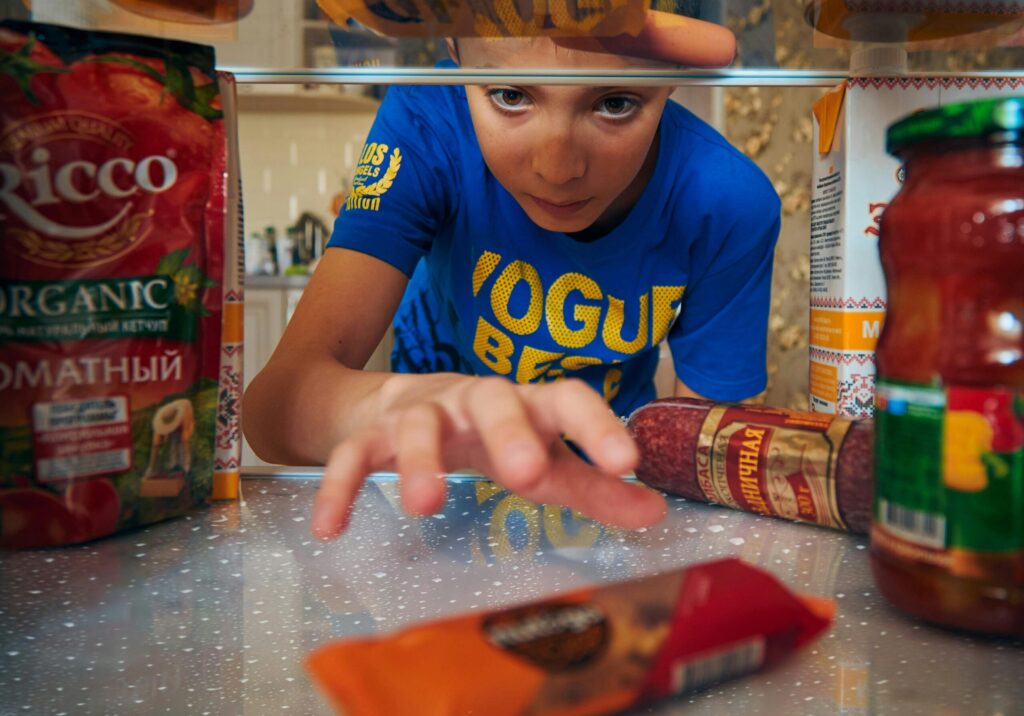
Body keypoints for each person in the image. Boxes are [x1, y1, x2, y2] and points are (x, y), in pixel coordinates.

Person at [242, 20, 782, 541]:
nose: (557, 168)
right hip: (431, 475)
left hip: (604, 482)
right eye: (509, 95)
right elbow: (269, 413)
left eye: (615, 103)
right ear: (454, 52)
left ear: (673, 77)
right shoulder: (429, 120)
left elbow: (699, 459)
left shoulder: (727, 201)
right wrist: (378, 408)